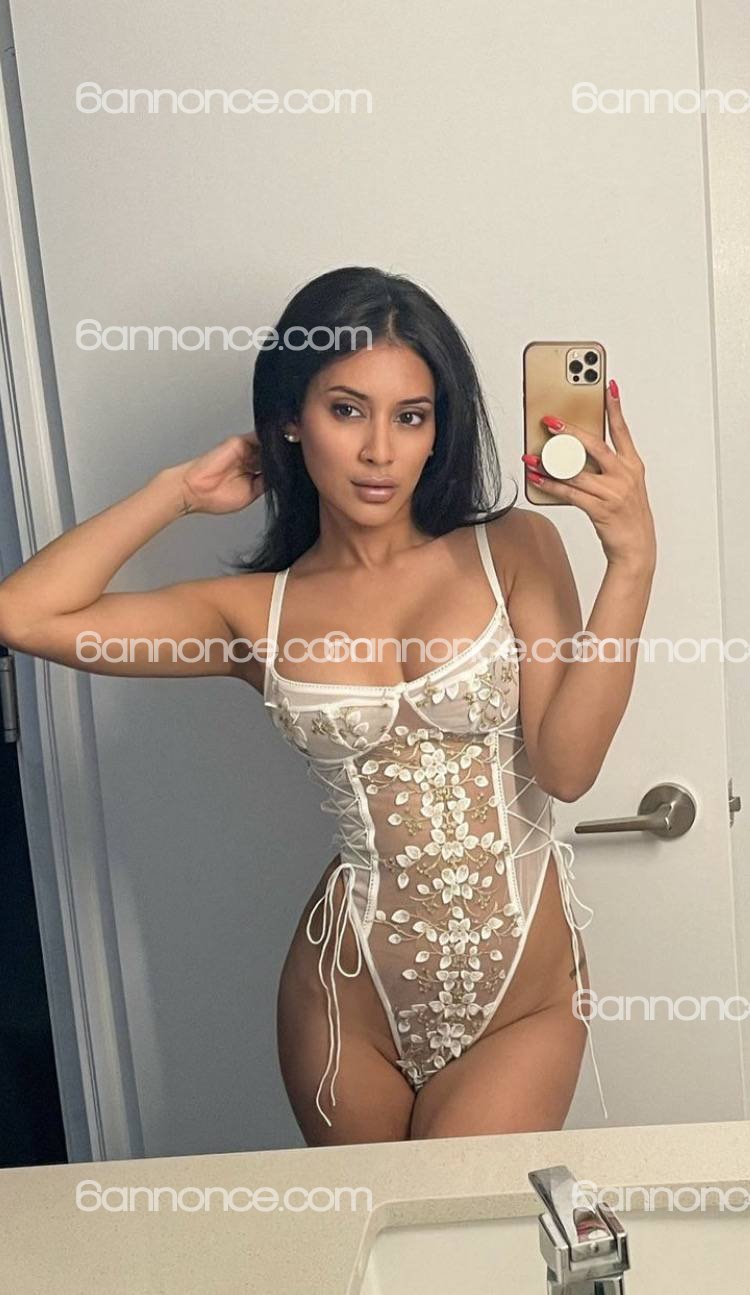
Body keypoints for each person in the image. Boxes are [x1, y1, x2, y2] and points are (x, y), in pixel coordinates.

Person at [0, 267, 656, 1147]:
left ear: (439, 430)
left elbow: (568, 769)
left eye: (410, 416)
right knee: (368, 1235)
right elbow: (23, 614)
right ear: (290, 419)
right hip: (347, 1007)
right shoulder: (253, 615)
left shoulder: (515, 549)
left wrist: (632, 564)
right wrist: (179, 492)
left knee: (461, 1232)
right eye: (347, 410)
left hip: (523, 1002)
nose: (380, 450)